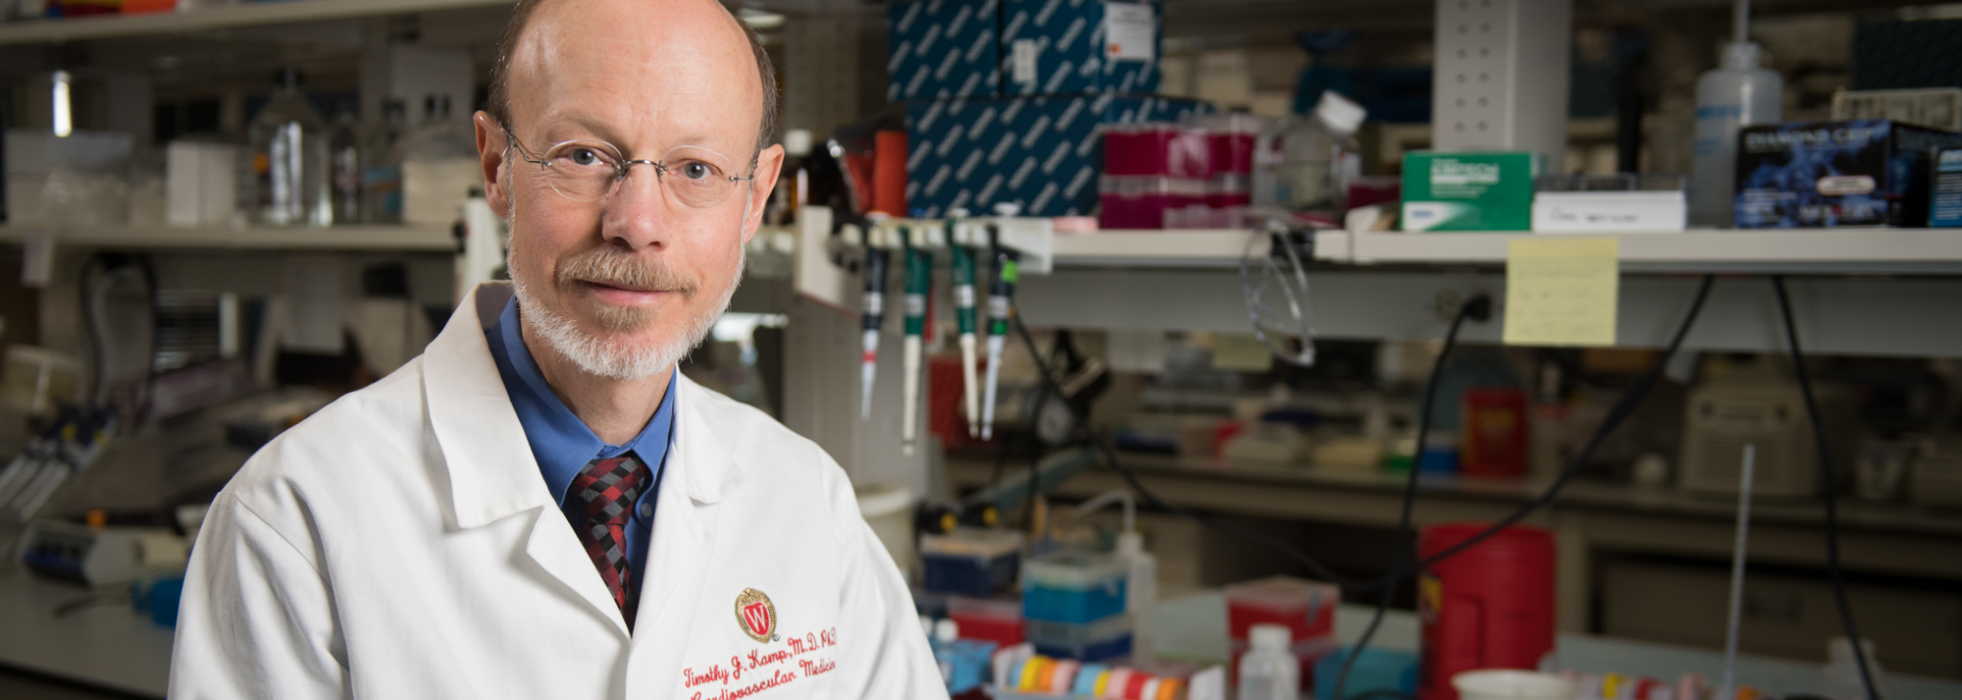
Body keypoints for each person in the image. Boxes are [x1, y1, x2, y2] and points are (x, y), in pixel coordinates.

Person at [169, 0, 947, 697]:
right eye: (583, 155)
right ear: (497, 165)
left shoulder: (807, 502)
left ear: (756, 197)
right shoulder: (296, 518)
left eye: (696, 169)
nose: (637, 221)